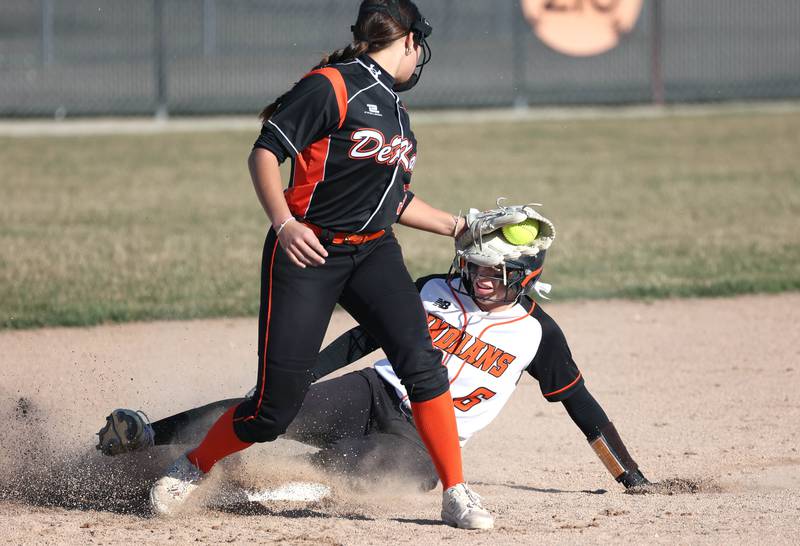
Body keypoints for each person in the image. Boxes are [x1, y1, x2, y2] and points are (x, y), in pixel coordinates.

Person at [145, 0, 496, 529]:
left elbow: (391, 200)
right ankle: (193, 464)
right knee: (272, 409)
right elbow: (265, 152)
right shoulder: (332, 84)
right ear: (405, 40)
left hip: (374, 251)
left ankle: (456, 492)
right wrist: (285, 224)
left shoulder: (396, 109)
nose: (418, 55)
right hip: (309, 250)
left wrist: (460, 225)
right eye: (417, 44)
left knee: (423, 367)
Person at [99, 207, 649, 522]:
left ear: (524, 276)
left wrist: (630, 477)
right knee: (266, 407)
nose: (481, 277)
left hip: (423, 440)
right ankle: (147, 435)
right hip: (371, 391)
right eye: (476, 266)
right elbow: (364, 338)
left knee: (359, 471)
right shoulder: (434, 288)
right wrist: (297, 379)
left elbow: (582, 406)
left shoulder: (536, 334)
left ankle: (240, 493)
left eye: (495, 272)